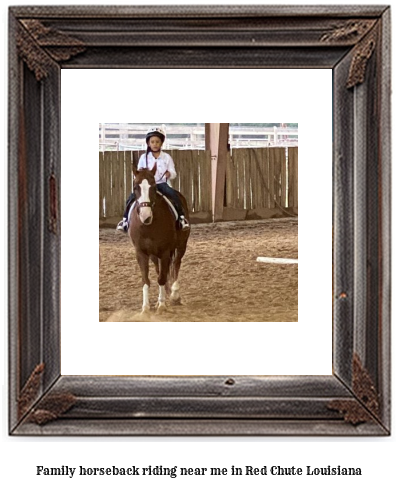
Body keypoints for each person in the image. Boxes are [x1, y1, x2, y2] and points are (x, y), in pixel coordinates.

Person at [116, 126, 190, 232]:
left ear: (161, 143)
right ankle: (125, 221)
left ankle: (182, 219)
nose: (155, 144)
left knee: (174, 196)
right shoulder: (143, 158)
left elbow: (174, 173)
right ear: (148, 143)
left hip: (162, 184)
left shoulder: (167, 158)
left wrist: (169, 174)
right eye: (152, 142)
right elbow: (138, 174)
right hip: (147, 186)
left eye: (157, 142)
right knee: (131, 198)